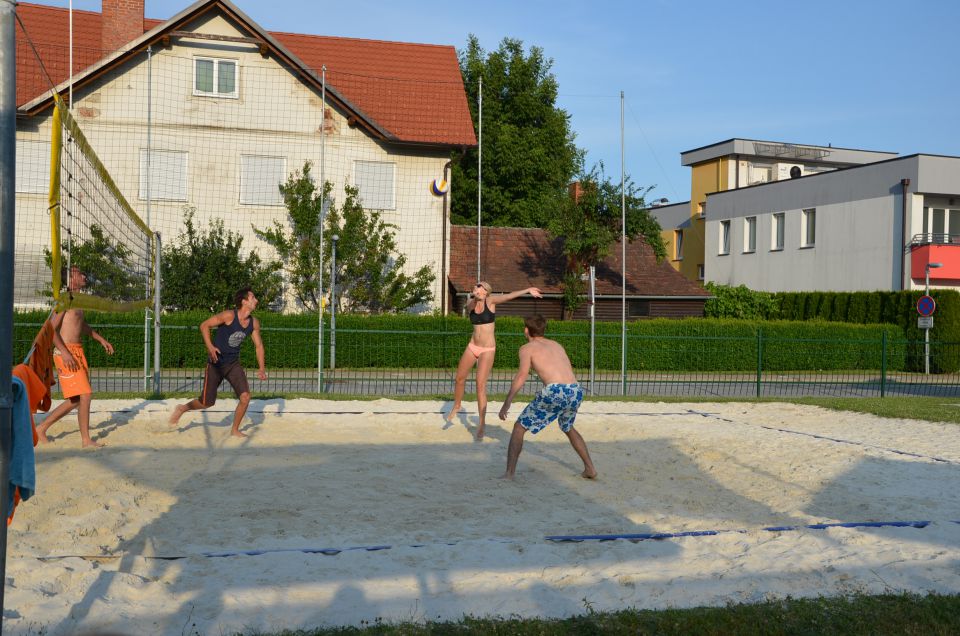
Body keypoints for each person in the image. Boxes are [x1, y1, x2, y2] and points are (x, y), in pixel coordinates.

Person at [498, 314, 597, 480]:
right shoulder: (556, 345)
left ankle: (509, 474)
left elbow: (521, 377)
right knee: (567, 427)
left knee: (519, 427)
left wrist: (507, 403)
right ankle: (590, 469)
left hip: (555, 391)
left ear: (526, 331)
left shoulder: (526, 348)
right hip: (575, 390)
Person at [446, 281, 542, 441]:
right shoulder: (471, 303)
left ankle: (482, 424)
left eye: (479, 287)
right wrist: (473, 298)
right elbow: (467, 307)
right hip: (472, 346)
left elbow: (509, 296)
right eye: (475, 287)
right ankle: (457, 405)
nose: (476, 288)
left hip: (487, 349)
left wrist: (527, 290)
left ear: (485, 291)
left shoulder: (490, 301)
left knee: (480, 385)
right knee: (459, 378)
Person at [169, 287, 267, 438]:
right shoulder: (229, 315)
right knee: (206, 403)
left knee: (245, 397)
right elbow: (204, 325)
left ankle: (234, 429)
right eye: (253, 297)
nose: (256, 300)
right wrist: (210, 347)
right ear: (244, 301)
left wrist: (261, 368)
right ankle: (183, 408)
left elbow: (259, 346)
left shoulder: (254, 323)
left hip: (233, 364)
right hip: (216, 363)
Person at [38, 266, 115, 448]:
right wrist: (65, 353)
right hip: (66, 353)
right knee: (86, 394)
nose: (84, 275)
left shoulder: (78, 300)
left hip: (77, 351)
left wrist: (100, 339)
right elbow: (50, 329)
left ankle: (42, 428)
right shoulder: (65, 300)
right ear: (71, 279)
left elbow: (81, 325)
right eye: (80, 273)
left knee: (76, 399)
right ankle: (86, 440)